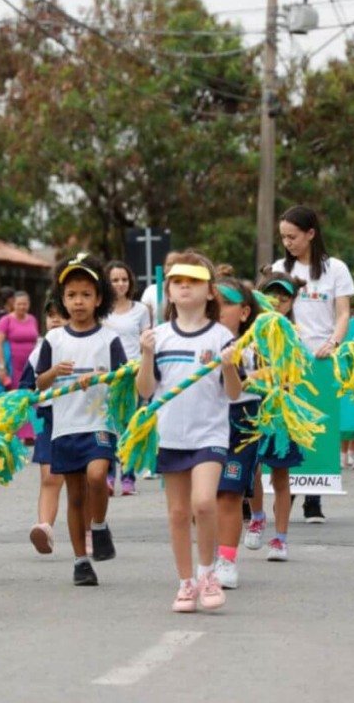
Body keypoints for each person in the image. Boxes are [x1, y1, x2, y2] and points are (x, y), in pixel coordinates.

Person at [135, 252, 240, 612]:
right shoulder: (159, 337)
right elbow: (146, 390)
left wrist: (229, 367)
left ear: (210, 292)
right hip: (171, 435)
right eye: (177, 282)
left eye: (193, 281)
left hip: (210, 435)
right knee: (179, 513)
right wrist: (146, 354)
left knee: (204, 502)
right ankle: (185, 584)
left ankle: (207, 573)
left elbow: (234, 393)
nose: (184, 287)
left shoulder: (222, 336)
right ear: (168, 291)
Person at [34, 253, 127, 586]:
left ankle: (98, 525)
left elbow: (124, 380)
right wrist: (53, 373)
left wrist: (104, 378)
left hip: (99, 422)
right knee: (74, 496)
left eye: (86, 294)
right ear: (62, 299)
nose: (78, 301)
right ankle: (81, 561)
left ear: (99, 299)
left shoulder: (109, 339)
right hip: (65, 426)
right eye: (71, 295)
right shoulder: (54, 340)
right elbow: (38, 384)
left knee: (97, 474)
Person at [272, 205, 354, 522]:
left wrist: (333, 342)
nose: (288, 243)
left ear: (311, 233)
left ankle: (313, 499)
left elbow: (343, 313)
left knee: (317, 426)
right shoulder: (280, 268)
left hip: (322, 358)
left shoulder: (336, 269)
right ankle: (285, 493)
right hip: (288, 359)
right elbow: (271, 309)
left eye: (292, 236)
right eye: (283, 237)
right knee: (287, 425)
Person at [253, 271, 307, 561]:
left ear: (292, 302)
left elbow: (293, 374)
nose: (277, 302)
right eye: (272, 296)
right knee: (251, 469)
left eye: (284, 298)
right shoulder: (248, 331)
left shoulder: (292, 333)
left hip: (280, 412)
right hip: (250, 408)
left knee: (281, 476)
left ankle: (280, 539)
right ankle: (257, 516)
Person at [212, 276, 262, 588]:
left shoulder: (256, 345)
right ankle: (208, 557)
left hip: (243, 420)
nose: (219, 308)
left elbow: (278, 375)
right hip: (205, 421)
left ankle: (227, 560)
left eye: (227, 303)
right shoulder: (197, 342)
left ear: (244, 312)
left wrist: (255, 375)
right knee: (204, 497)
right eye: (214, 301)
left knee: (230, 493)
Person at [103, 259, 152, 495]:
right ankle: (108, 475)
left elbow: (146, 342)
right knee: (109, 426)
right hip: (108, 376)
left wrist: (146, 367)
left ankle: (129, 477)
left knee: (131, 426)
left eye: (124, 279)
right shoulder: (101, 310)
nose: (120, 284)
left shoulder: (141, 310)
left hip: (134, 375)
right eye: (114, 280)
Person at [25, 299, 66, 554]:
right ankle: (45, 528)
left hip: (80, 417)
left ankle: (90, 528)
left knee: (83, 481)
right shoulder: (38, 352)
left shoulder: (83, 344)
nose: (55, 320)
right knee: (49, 477)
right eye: (51, 315)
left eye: (61, 314)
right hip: (48, 418)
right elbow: (26, 387)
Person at [0, 291, 38, 441]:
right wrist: (2, 366)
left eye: (25, 304)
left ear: (29, 304)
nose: (22, 307)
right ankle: (13, 433)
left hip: (30, 366)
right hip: (12, 366)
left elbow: (35, 341)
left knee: (30, 398)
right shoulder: (5, 320)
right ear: (14, 304)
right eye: (19, 304)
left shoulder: (32, 319)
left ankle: (31, 433)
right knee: (13, 399)